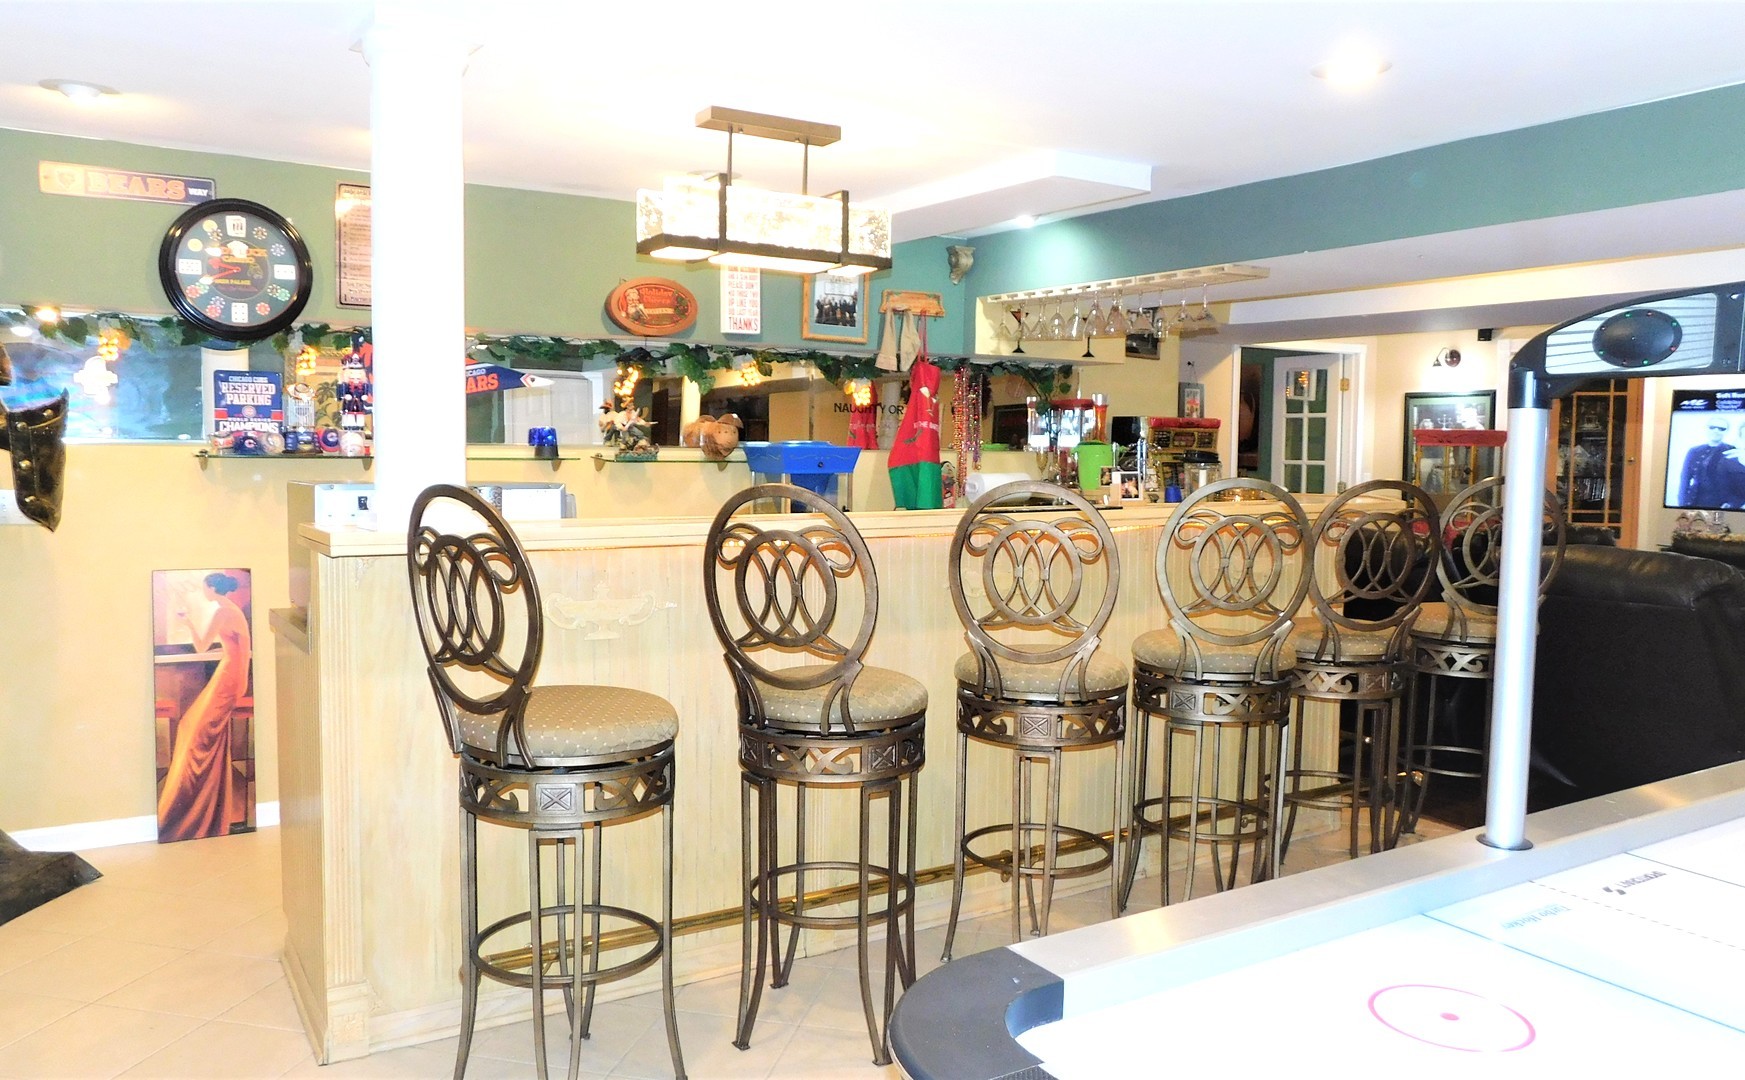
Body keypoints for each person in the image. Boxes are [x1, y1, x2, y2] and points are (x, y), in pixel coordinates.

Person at [157, 572, 251, 842]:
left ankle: (192, 805)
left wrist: (187, 622)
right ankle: (204, 805)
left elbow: (201, 646)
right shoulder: (230, 610)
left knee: (193, 730)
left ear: (212, 588)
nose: (203, 592)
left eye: (204, 588)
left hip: (229, 677)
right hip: (230, 673)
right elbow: (232, 648)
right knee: (199, 731)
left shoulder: (223, 611)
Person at [1678, 419, 1744, 508]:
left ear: (1727, 431)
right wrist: (1682, 503)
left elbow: (1740, 482)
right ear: (1706, 429)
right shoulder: (1694, 451)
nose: (1716, 431)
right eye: (1712, 427)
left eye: (1721, 429)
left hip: (1722, 503)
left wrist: (1733, 504)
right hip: (1695, 500)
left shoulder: (1733, 451)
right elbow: (1685, 479)